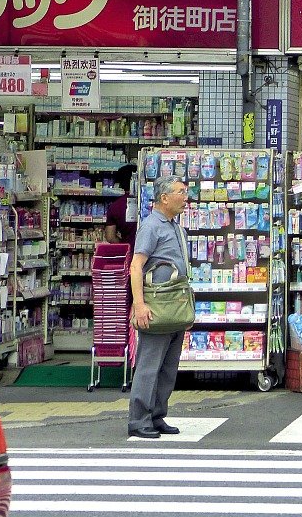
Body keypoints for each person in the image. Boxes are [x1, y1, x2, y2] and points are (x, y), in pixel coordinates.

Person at [128, 176, 190, 438]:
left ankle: (157, 415)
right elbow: (135, 266)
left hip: (174, 303)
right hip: (156, 304)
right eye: (181, 192)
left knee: (167, 367)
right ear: (164, 198)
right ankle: (139, 420)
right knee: (149, 365)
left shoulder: (174, 225)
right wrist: (139, 305)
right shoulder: (151, 226)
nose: (186, 197)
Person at [104, 163, 139, 247]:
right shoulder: (148, 202)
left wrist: (125, 244)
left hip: (129, 252)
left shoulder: (115, 206)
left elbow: (110, 237)